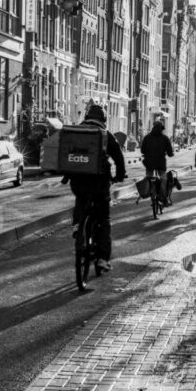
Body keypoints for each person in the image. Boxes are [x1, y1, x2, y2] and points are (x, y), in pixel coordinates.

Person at [70, 104, 126, 272]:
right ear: (103, 119)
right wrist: (120, 176)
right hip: (99, 184)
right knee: (103, 220)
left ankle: (77, 224)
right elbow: (119, 158)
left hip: (78, 181)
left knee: (80, 198)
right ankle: (102, 258)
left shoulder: (76, 131)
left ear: (87, 116)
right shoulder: (105, 135)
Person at [140, 119, 174, 204]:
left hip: (149, 163)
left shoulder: (147, 137)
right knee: (163, 178)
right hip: (160, 163)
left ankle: (148, 191)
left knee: (148, 177)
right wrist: (170, 154)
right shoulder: (165, 138)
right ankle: (163, 197)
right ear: (161, 129)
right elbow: (170, 152)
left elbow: (142, 151)